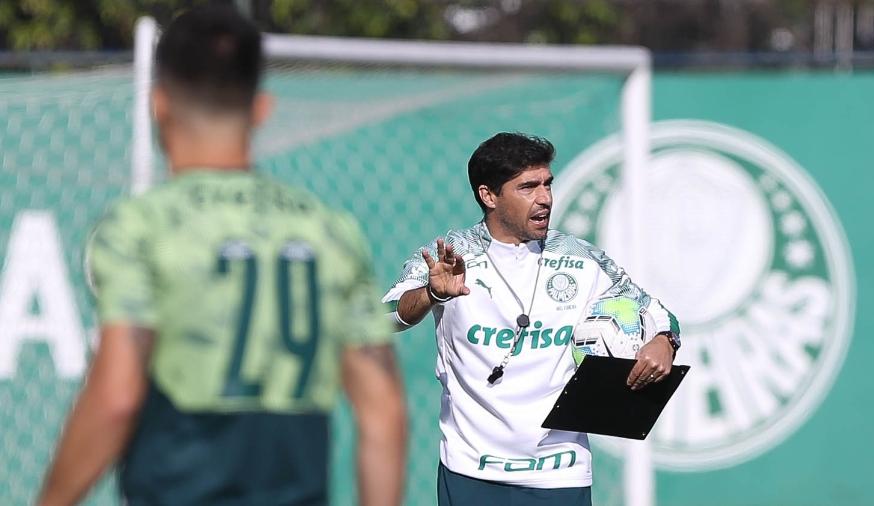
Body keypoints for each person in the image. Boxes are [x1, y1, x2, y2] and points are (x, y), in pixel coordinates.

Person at [37, 6, 406, 506]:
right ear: (260, 108)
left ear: (158, 104)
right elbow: (383, 413)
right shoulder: (329, 231)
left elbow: (118, 394)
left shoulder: (139, 226)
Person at [383, 132, 680, 505]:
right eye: (528, 187)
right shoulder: (446, 258)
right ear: (488, 195)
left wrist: (664, 341)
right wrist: (432, 293)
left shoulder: (581, 258)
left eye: (547, 184)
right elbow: (384, 318)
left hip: (560, 471)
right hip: (472, 470)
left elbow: (657, 313)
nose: (544, 198)